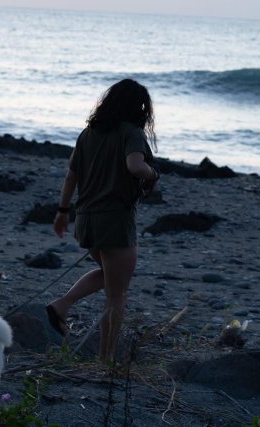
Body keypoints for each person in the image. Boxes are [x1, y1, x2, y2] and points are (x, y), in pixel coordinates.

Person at [46, 78, 160, 363]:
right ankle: (106, 361)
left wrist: (62, 212)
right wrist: (153, 174)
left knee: (110, 276)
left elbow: (71, 176)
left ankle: (62, 304)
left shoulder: (88, 134)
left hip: (86, 219)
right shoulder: (132, 134)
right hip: (115, 221)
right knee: (117, 294)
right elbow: (134, 166)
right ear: (139, 108)